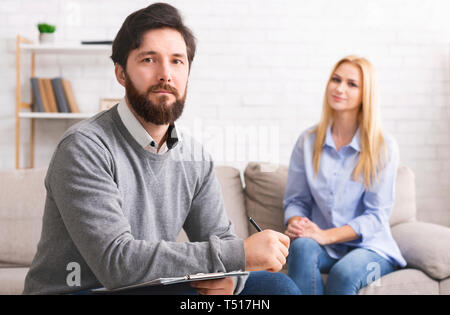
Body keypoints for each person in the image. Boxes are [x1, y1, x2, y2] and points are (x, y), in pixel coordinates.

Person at [23, 3, 299, 295]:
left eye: (177, 61)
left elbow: (221, 239)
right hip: (83, 290)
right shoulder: (84, 147)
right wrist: (237, 255)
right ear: (121, 73)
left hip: (150, 287)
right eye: (149, 60)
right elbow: (117, 264)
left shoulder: (194, 157)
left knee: (277, 286)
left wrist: (231, 279)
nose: (165, 74)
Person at [283, 55, 406, 295]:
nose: (339, 88)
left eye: (352, 84)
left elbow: (376, 216)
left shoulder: (383, 146)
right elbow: (296, 201)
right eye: (336, 79)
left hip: (370, 246)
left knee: (344, 273)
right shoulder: (307, 141)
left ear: (365, 94)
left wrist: (325, 235)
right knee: (302, 247)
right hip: (324, 246)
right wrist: (297, 224)